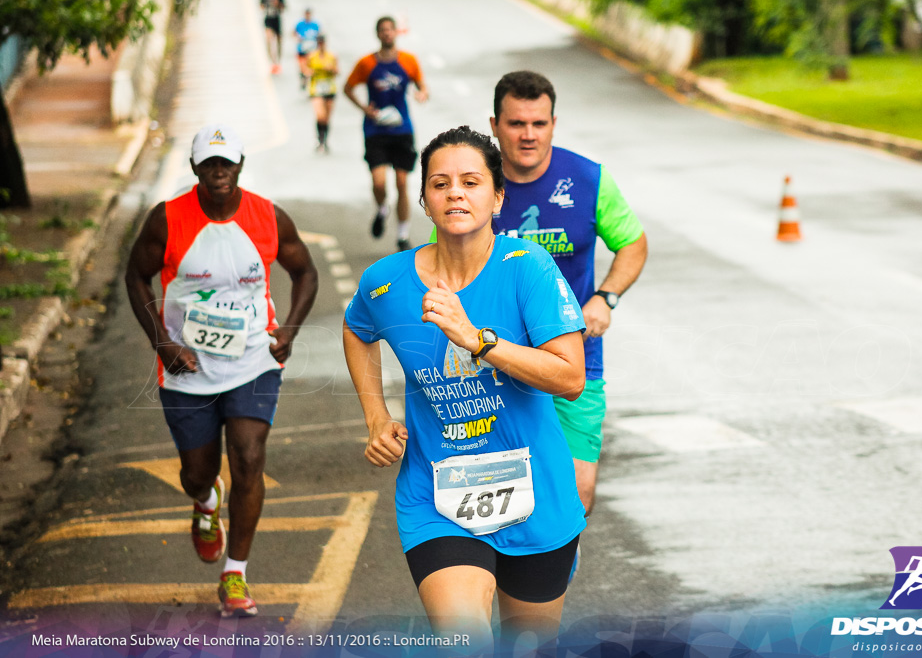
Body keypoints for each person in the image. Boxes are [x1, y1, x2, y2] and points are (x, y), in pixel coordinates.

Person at [343, 126, 586, 654]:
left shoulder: (528, 269)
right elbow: (356, 329)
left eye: (472, 181)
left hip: (536, 494)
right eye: (441, 183)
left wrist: (477, 340)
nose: (456, 192)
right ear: (426, 201)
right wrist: (376, 418)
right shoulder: (385, 284)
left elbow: (570, 378)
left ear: (497, 197)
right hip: (438, 498)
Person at [124, 124, 318, 618]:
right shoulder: (166, 221)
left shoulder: (267, 217)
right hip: (187, 367)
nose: (219, 172)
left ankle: (235, 573)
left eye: (226, 163)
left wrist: (289, 331)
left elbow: (306, 272)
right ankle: (206, 500)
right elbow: (135, 275)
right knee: (196, 472)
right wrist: (163, 344)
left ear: (240, 165)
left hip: (254, 359)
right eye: (209, 164)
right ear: (195, 169)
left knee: (250, 459)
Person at [488, 71, 647, 554]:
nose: (528, 135)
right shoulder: (476, 183)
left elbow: (633, 244)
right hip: (495, 363)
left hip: (574, 361)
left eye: (539, 123)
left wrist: (606, 297)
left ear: (554, 123)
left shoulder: (588, 179)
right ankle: (510, 581)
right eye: (516, 123)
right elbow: (440, 265)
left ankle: (549, 580)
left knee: (579, 490)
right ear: (495, 125)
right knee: (502, 494)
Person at [343, 15, 429, 253]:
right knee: (379, 182)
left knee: (402, 183)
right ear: (378, 34)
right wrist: (364, 108)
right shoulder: (367, 64)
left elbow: (422, 85)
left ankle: (402, 236)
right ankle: (382, 209)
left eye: (390, 30)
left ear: (396, 33)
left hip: (402, 130)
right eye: (383, 30)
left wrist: (422, 94)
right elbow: (347, 88)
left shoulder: (408, 61)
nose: (387, 34)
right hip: (376, 130)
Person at [307, 35, 339, 153]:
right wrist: (313, 72)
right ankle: (319, 139)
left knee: (327, 117)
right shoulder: (312, 56)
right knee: (320, 115)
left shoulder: (332, 56)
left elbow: (337, 71)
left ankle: (325, 140)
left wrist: (330, 69)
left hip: (329, 88)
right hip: (316, 89)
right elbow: (306, 70)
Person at [259, 0, 286, 74]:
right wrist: (267, 5)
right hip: (268, 20)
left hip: (276, 20)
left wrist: (277, 4)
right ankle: (272, 61)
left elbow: (284, 8)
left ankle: (278, 60)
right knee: (269, 39)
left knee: (279, 41)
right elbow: (261, 6)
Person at [293, 8, 320, 90]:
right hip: (302, 50)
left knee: (310, 67)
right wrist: (298, 38)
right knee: (302, 67)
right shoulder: (300, 24)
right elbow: (294, 33)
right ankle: (303, 79)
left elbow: (319, 35)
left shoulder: (315, 25)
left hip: (311, 50)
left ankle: (309, 82)